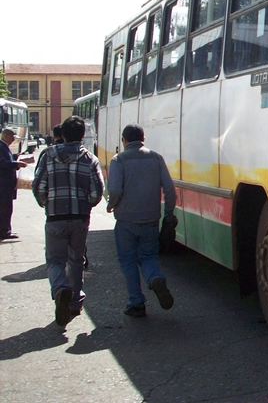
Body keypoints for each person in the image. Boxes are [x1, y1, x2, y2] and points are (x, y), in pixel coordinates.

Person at [32, 116, 104, 327]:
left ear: (62, 134)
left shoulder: (47, 156)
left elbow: (38, 186)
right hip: (80, 218)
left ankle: (59, 288)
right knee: (76, 260)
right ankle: (73, 302)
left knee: (55, 261)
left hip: (55, 217)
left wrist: (46, 202)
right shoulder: (89, 158)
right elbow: (97, 191)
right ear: (83, 135)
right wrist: (86, 205)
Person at [107, 123, 176, 318]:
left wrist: (111, 204)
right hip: (151, 219)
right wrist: (168, 213)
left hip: (126, 220)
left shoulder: (118, 160)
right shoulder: (156, 158)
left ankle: (136, 302)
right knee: (148, 256)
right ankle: (155, 278)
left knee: (128, 260)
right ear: (143, 139)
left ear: (124, 140)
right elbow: (169, 189)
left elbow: (115, 190)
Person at [0, 128, 28, 240]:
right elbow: (2, 163)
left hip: (5, 184)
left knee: (5, 208)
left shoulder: (3, 146)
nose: (13, 140)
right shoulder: (1, 146)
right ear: (6, 136)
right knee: (5, 209)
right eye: (12, 137)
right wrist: (16, 164)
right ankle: (4, 231)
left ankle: (4, 230)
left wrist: (16, 158)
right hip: (3, 184)